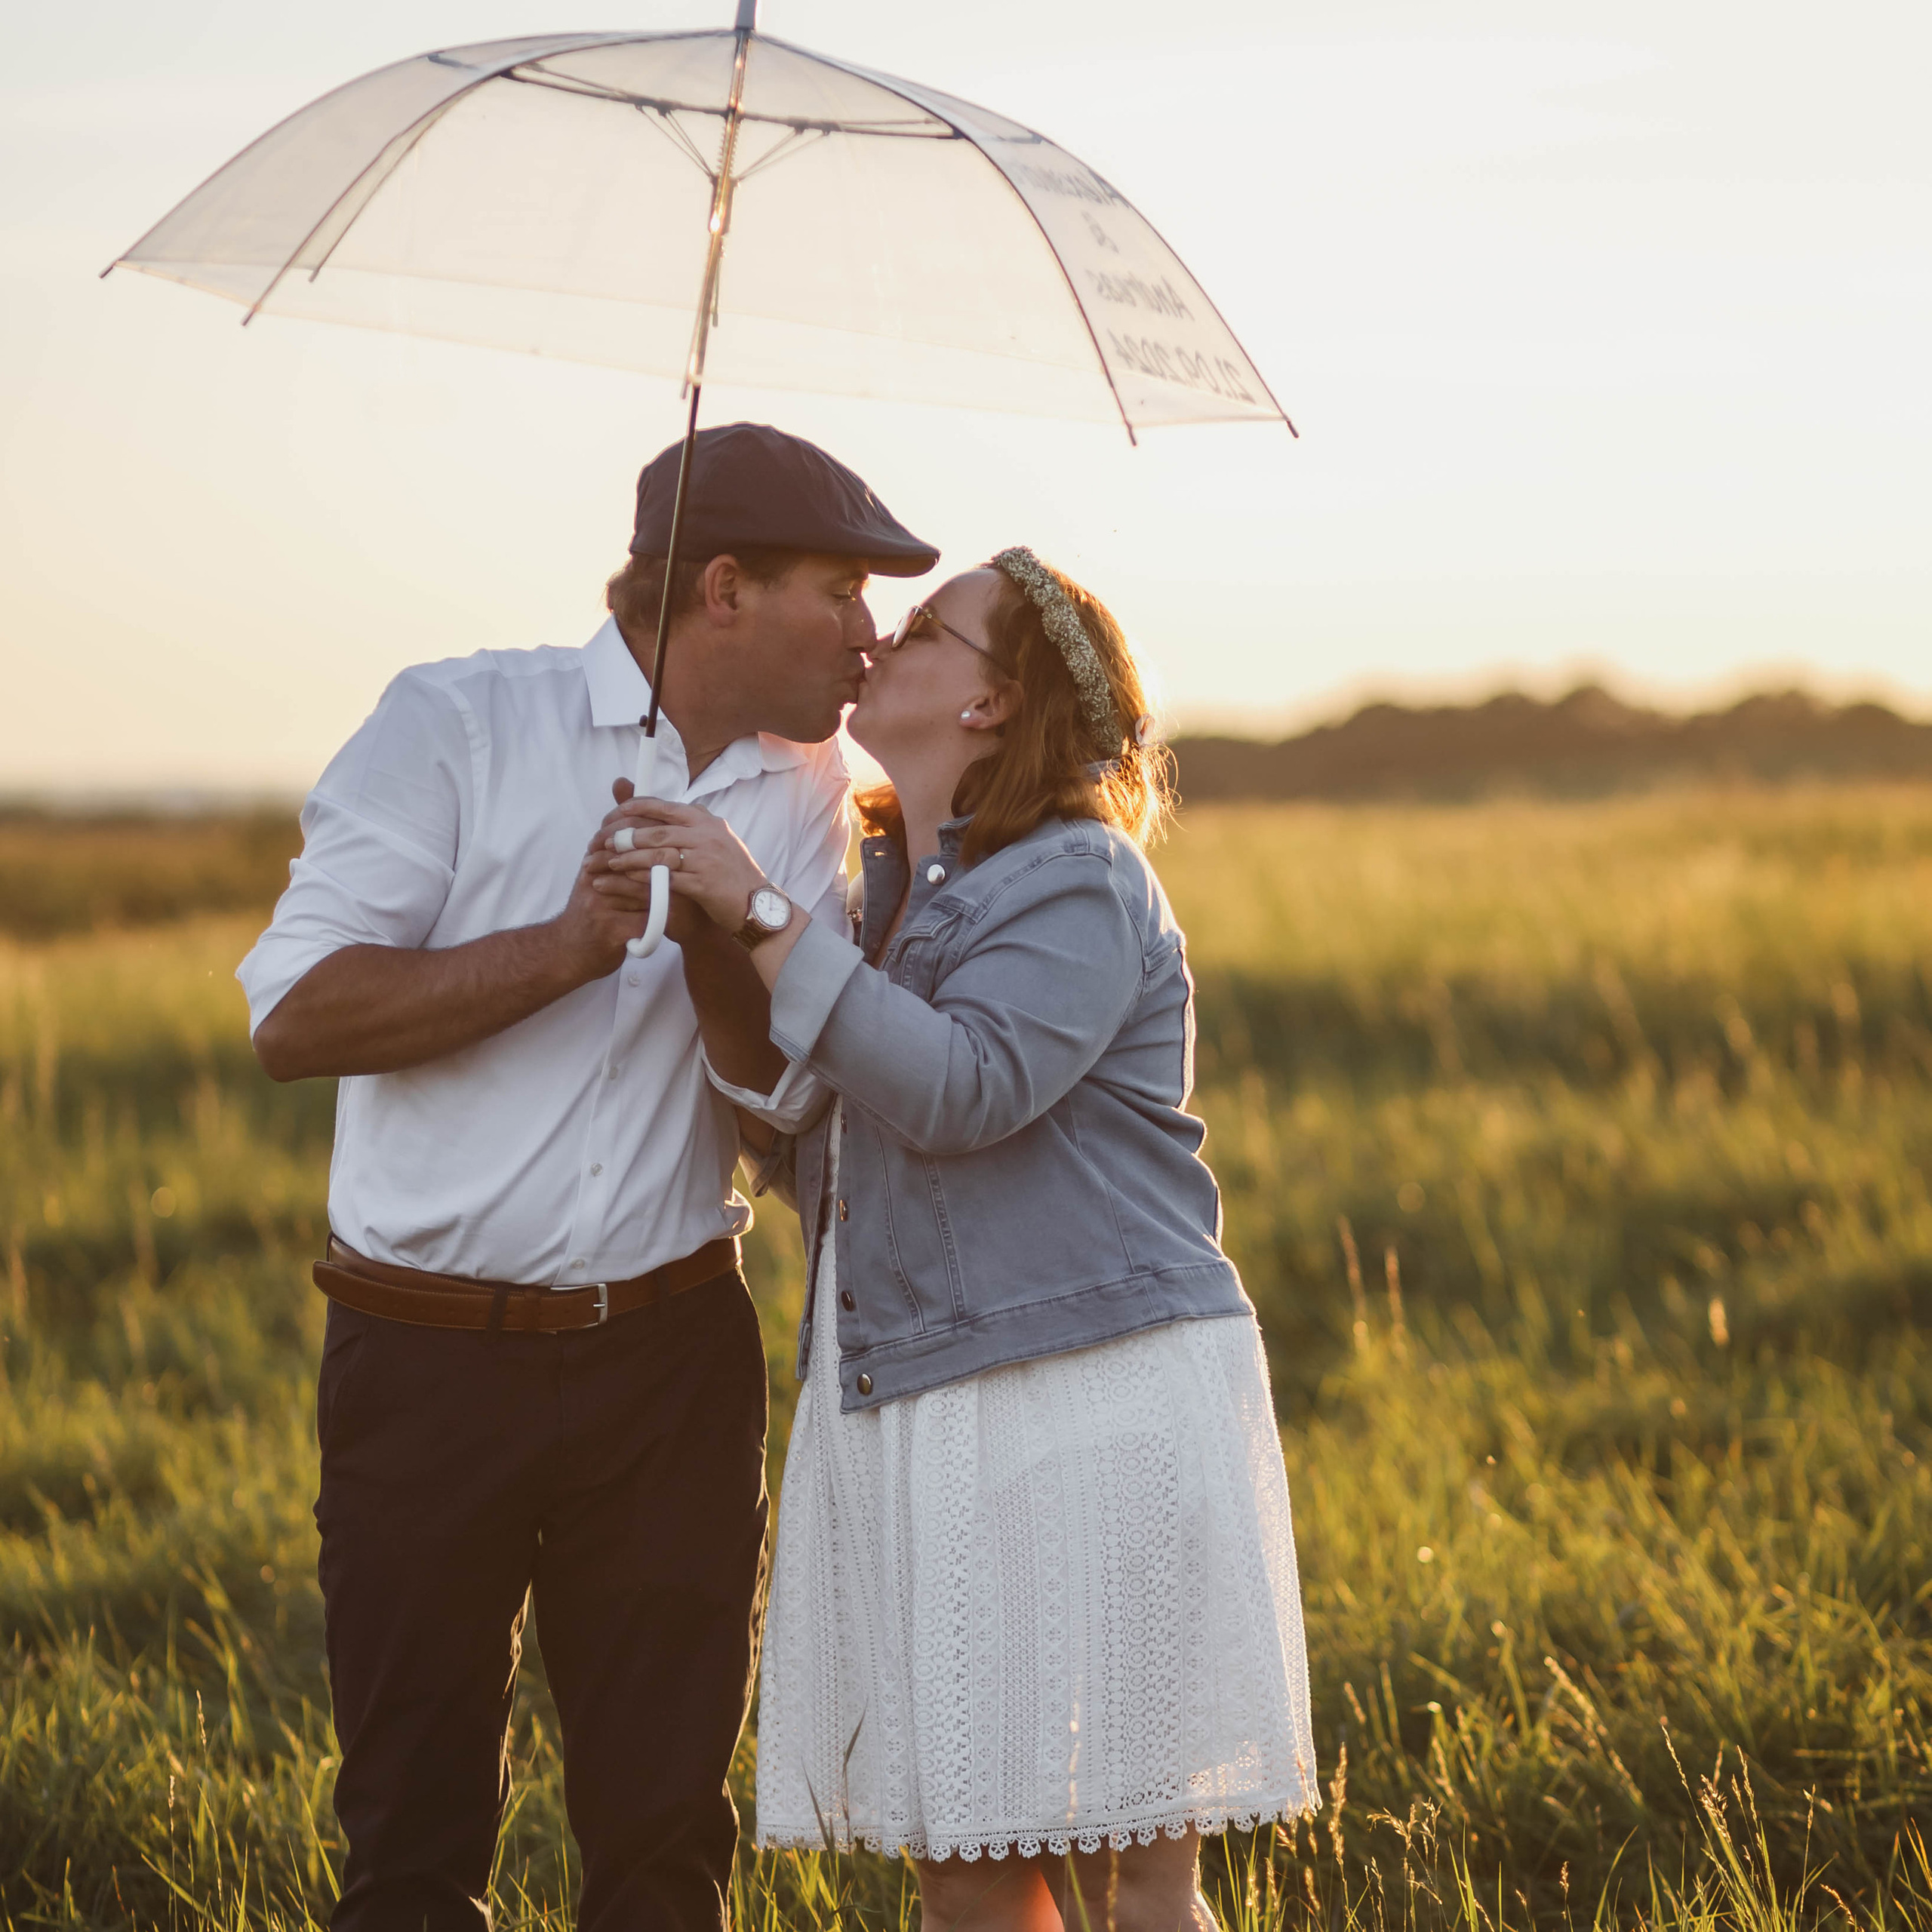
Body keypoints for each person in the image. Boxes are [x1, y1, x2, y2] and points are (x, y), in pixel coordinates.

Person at [236, 422, 937, 1932]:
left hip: (672, 1364)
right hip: (421, 1354)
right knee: (412, 1840)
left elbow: (783, 1101)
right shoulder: (453, 723)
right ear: (725, 589)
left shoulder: (820, 793)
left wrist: (714, 932)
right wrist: (564, 946)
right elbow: (298, 1016)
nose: (872, 636)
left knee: (664, 1841)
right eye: (844, 591)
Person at [601, 548, 1320, 1932]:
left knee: (1131, 1868)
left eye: (926, 627)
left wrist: (759, 912)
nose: (883, 636)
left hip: (1092, 1396)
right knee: (966, 1869)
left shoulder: (1081, 882)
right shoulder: (884, 897)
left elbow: (959, 1089)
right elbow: (840, 1159)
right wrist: (721, 945)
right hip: (925, 1409)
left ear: (991, 705)